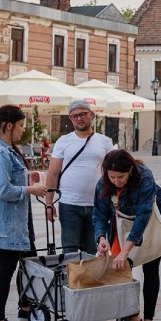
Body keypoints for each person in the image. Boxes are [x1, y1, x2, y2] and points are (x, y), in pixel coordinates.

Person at [0, 105, 48, 321]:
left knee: (28, 262)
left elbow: (10, 179)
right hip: (5, 225)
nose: (22, 131)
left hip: (16, 222)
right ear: (8, 126)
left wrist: (28, 177)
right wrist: (32, 189)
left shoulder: (6, 149)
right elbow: (3, 189)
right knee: (5, 270)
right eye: (20, 126)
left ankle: (27, 308)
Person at [93, 149, 161, 321]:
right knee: (121, 268)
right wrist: (101, 238)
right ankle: (133, 316)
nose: (116, 181)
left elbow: (144, 216)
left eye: (121, 177)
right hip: (123, 222)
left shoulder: (144, 177)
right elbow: (99, 214)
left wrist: (126, 250)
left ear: (130, 170)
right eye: (112, 177)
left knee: (150, 268)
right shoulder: (103, 183)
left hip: (152, 222)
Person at [45, 100, 113, 254]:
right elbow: (53, 173)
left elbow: (113, 172)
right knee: (69, 251)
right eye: (74, 116)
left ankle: (87, 279)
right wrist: (49, 203)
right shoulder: (63, 141)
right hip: (69, 204)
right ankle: (71, 279)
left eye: (82, 114)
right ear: (70, 119)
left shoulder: (105, 141)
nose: (79, 119)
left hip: (97, 204)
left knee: (91, 251)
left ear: (91, 115)